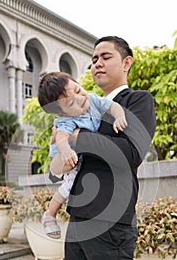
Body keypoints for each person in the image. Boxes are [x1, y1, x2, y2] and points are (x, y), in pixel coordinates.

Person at [51, 36, 156, 260]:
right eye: (93, 59)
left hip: (111, 223)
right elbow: (55, 172)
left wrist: (77, 137)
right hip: (78, 220)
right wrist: (60, 152)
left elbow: (131, 152)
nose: (96, 63)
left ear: (127, 62)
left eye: (105, 56)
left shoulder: (137, 101)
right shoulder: (78, 110)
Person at [38, 71, 128, 239]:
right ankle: (49, 215)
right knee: (68, 186)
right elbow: (61, 137)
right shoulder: (66, 121)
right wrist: (66, 151)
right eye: (71, 102)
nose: (80, 98)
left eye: (78, 90)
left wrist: (119, 116)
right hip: (68, 157)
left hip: (82, 153)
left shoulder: (93, 99)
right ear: (62, 112)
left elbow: (112, 106)